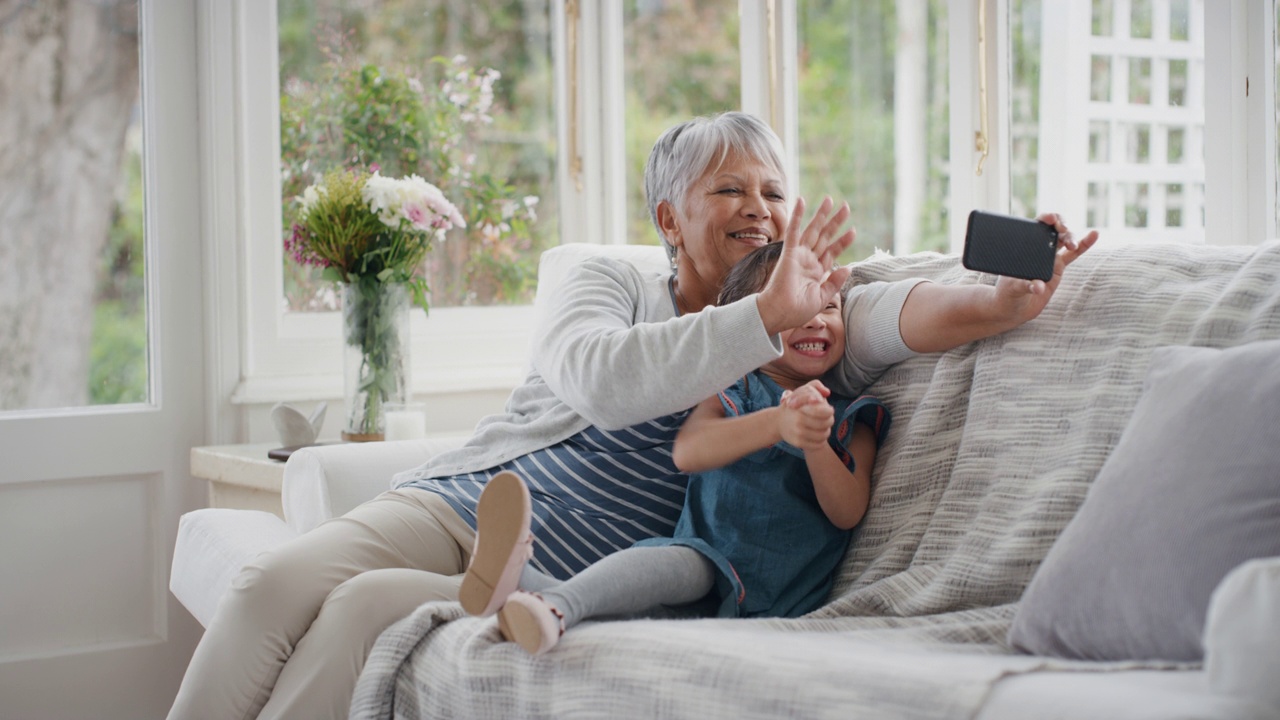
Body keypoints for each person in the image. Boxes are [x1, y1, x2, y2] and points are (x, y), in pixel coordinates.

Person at [168, 111, 1096, 719]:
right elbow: (601, 381)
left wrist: (1005, 300)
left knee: (361, 612)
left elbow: (902, 314)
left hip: (552, 564)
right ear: (668, 215)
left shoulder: (803, 320)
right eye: (729, 189)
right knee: (269, 590)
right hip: (468, 500)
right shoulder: (612, 281)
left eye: (774, 191)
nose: (759, 211)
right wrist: (758, 313)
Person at [459, 242, 893, 655]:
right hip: (704, 564)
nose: (817, 319)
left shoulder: (850, 416)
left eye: (830, 307)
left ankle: (542, 593)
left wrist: (815, 443)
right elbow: (689, 451)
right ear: (750, 321)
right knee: (670, 568)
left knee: (655, 589)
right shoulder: (733, 388)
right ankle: (550, 601)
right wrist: (777, 423)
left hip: (781, 598)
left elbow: (848, 510)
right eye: (798, 307)